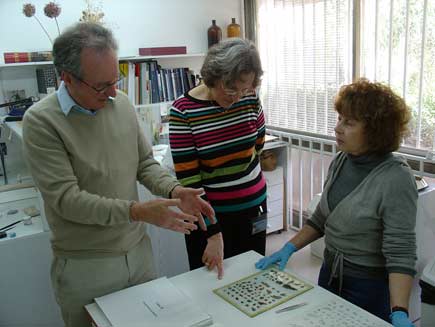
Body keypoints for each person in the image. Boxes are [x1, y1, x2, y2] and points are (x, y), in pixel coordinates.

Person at [22, 22, 214, 327]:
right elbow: (67, 200)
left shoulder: (120, 104)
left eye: (116, 80)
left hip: (138, 255)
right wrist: (136, 211)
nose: (112, 92)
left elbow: (145, 164)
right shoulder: (41, 122)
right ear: (67, 78)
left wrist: (174, 191)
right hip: (87, 265)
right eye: (101, 85)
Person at [256, 79, 417, 327]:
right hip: (329, 273)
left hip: (369, 288)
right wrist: (288, 248)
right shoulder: (343, 159)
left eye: (349, 122)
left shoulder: (395, 178)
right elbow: (322, 218)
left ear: (376, 131)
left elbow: (400, 252)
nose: (337, 128)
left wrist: (399, 310)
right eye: (340, 118)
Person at [169, 38, 267, 280]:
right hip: (209, 219)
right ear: (213, 75)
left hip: (253, 208)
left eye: (244, 88)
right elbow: (190, 182)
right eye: (231, 88)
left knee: (251, 281)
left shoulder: (250, 98)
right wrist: (213, 232)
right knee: (210, 285)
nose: (237, 97)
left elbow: (258, 145)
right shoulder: (183, 111)